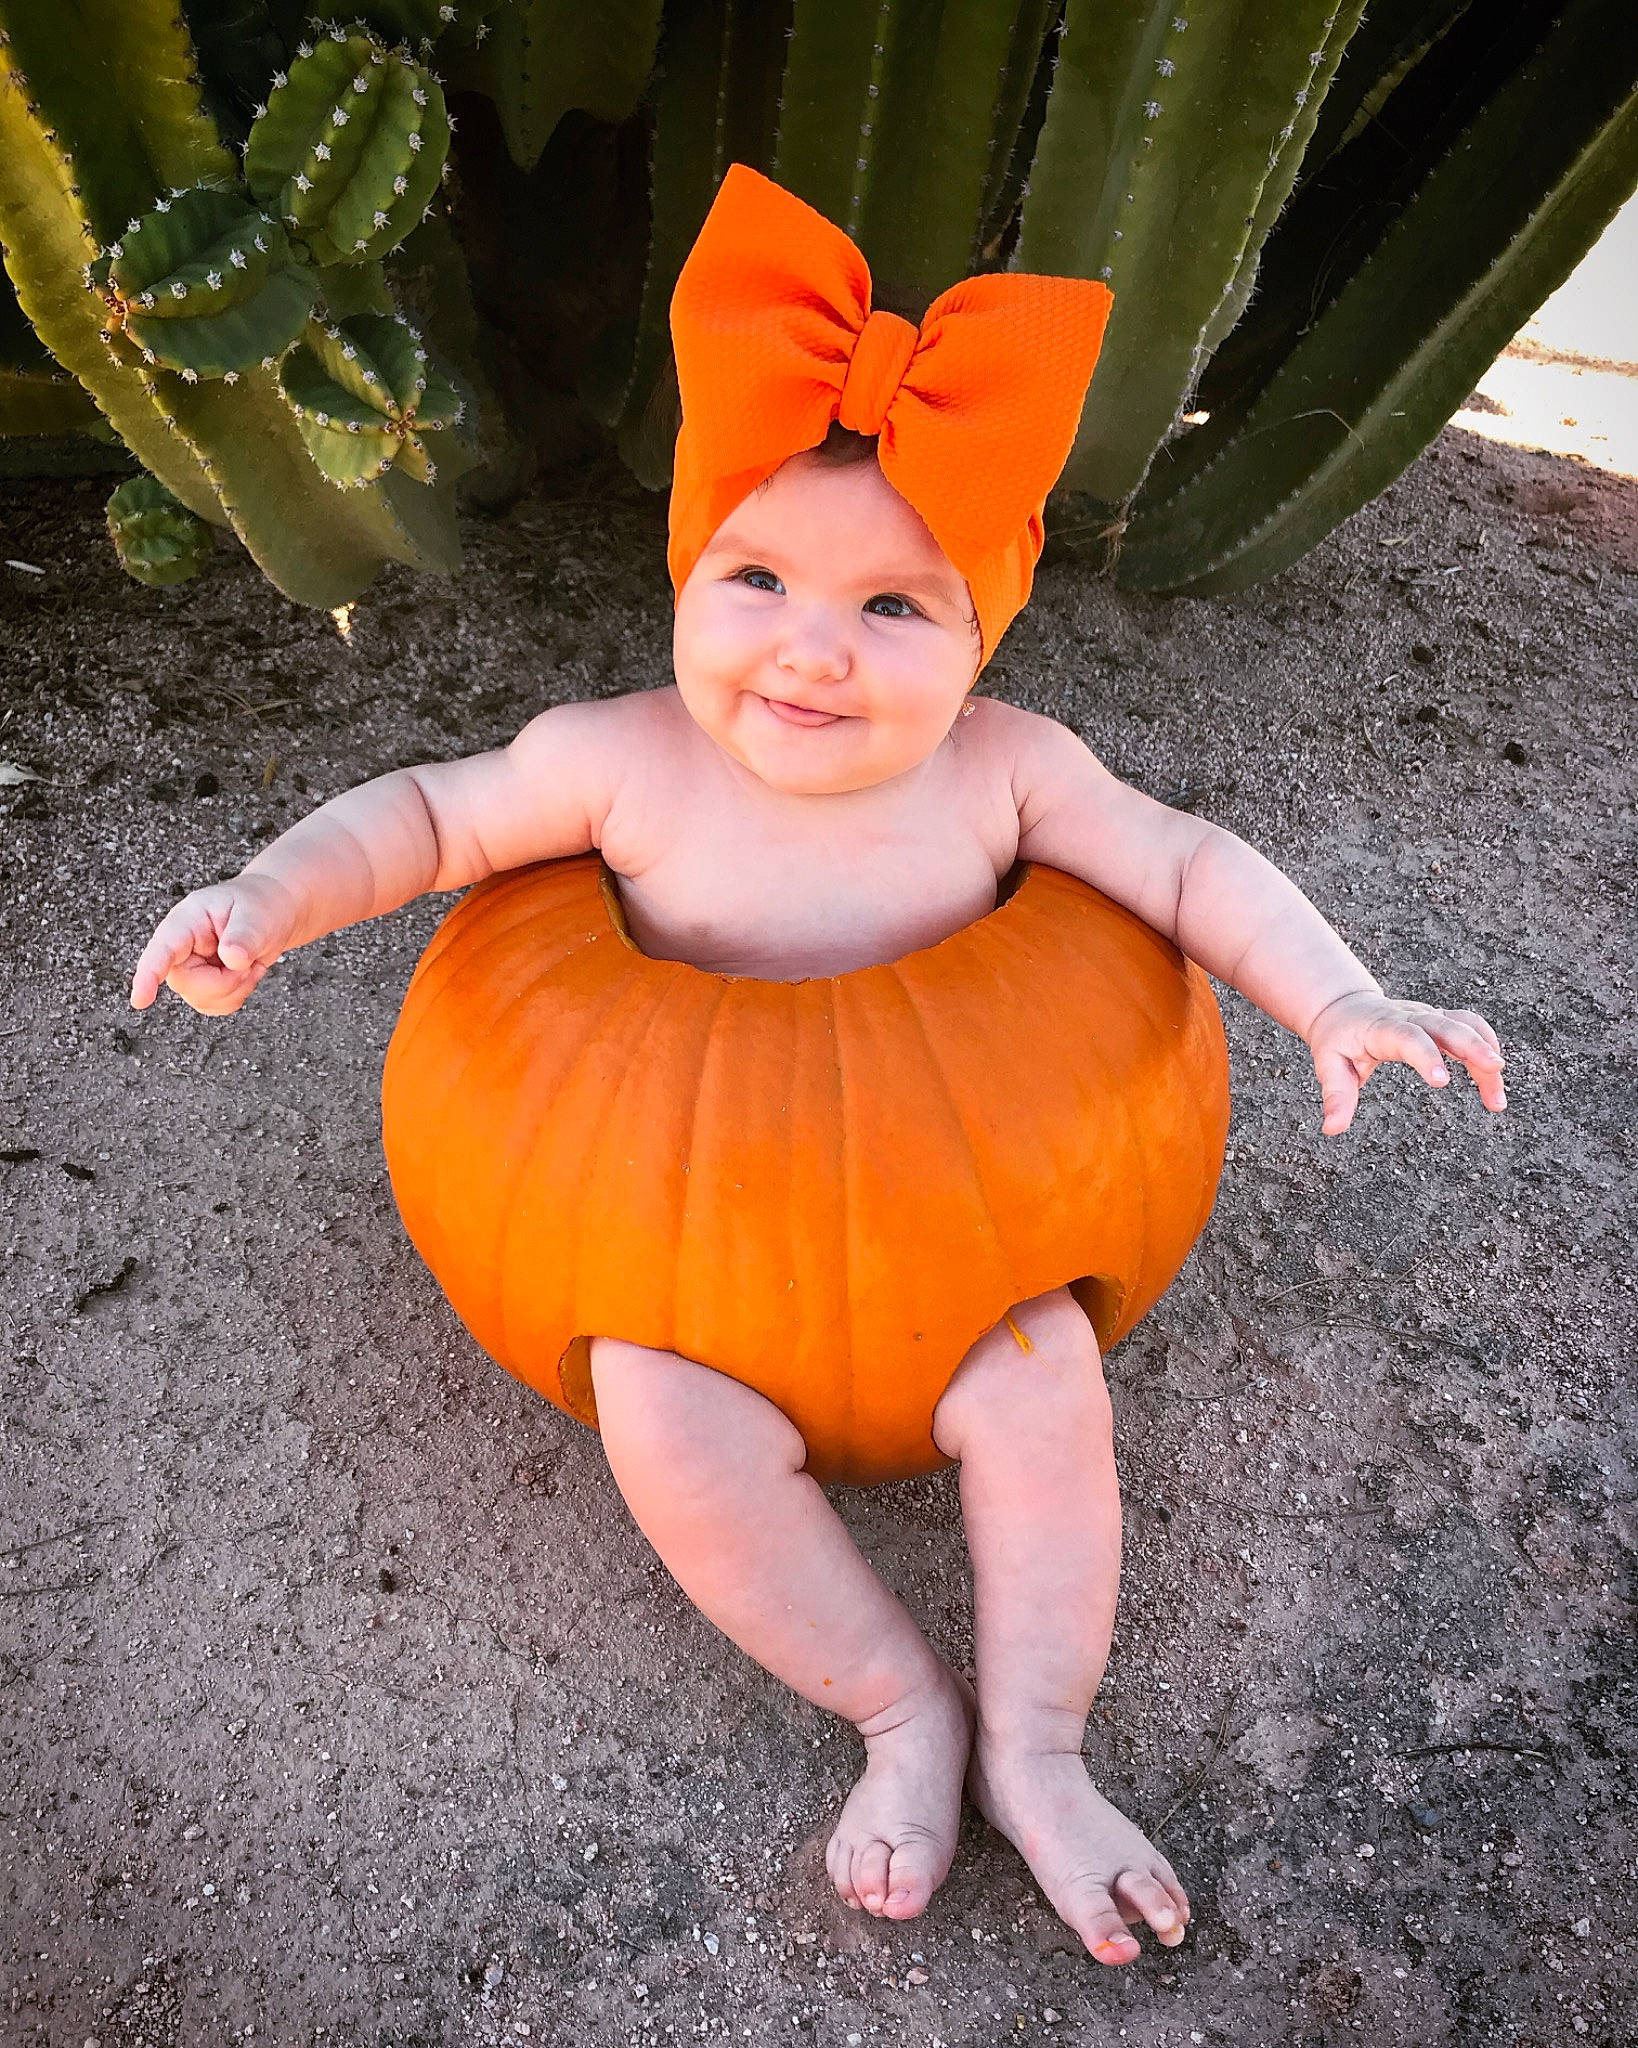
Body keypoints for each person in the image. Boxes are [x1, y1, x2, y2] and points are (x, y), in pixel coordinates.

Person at [128, 165, 1505, 1967]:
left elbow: (1183, 863)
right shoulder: (618, 761)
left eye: (891, 610)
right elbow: (420, 819)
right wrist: (266, 898)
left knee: (1043, 1392)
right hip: (672, 1263)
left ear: (980, 634)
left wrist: (1336, 996)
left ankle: (1033, 1743)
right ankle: (893, 1709)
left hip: (974, 1247)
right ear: (689, 574)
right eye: (758, 576)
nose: (808, 648)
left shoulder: (1006, 768)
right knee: (661, 1420)